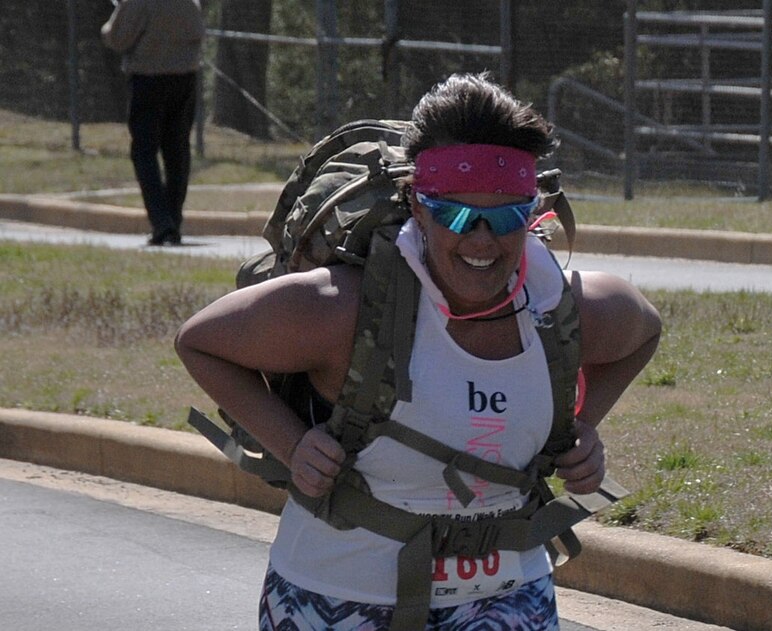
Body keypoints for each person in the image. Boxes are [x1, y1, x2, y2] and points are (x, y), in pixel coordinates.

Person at [175, 73, 661, 630]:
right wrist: (292, 444)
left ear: (534, 212)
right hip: (337, 595)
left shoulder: (568, 310)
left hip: (507, 596)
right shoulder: (340, 309)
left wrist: (578, 427)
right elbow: (200, 341)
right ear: (417, 206)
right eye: (454, 214)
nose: (481, 239)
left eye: (507, 217)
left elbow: (645, 332)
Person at [101, 0, 205, 246]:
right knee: (177, 151)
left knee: (144, 152)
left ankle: (161, 223)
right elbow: (199, 32)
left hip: (148, 79)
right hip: (184, 79)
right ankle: (173, 219)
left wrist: (107, 28)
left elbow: (118, 38)